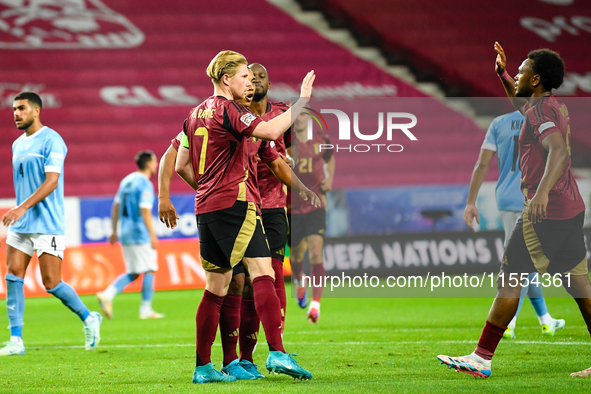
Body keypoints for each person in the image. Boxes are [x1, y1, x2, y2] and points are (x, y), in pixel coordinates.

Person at [437, 43, 591, 378]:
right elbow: (524, 105)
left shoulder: (540, 112)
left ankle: (481, 357)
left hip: (545, 211)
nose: (518, 75)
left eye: (521, 71)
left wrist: (541, 195)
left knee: (510, 278)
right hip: (569, 207)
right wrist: (504, 75)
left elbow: (558, 154)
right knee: (581, 287)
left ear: (536, 79)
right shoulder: (550, 106)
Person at [173, 50, 316, 383]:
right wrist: (302, 101)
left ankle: (204, 367)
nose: (249, 83)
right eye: (244, 77)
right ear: (227, 79)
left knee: (217, 285)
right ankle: (278, 353)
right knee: (262, 269)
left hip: (205, 207)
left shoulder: (193, 114)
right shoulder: (229, 109)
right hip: (235, 202)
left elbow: (181, 165)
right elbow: (268, 131)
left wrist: (207, 188)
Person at [1, 91, 102, 356]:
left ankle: (89, 318)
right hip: (23, 225)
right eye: (13, 109)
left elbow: (52, 181)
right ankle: (16, 340)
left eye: (21, 108)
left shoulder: (52, 140)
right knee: (13, 278)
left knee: (51, 283)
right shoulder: (17, 144)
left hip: (46, 222)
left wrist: (21, 207)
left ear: (36, 110)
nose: (16, 113)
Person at [464, 110, 565, 339]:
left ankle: (545, 319)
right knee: (522, 263)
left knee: (525, 261)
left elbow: (482, 163)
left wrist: (471, 201)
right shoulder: (544, 119)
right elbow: (557, 157)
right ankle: (510, 321)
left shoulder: (498, 122)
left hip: (506, 199)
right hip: (532, 197)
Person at [96, 151, 164, 320]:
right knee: (149, 269)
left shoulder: (126, 181)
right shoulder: (145, 184)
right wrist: (152, 234)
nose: (156, 165)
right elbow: (145, 210)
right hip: (139, 233)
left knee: (134, 272)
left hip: (125, 232)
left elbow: (116, 206)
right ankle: (146, 310)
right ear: (148, 164)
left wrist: (114, 231)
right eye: (155, 162)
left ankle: (108, 294)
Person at [289, 111, 335, 323]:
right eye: (295, 115)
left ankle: (315, 305)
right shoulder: (286, 142)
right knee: (297, 257)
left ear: (308, 119)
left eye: (301, 115)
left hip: (316, 205)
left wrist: (329, 179)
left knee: (317, 253)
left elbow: (330, 159)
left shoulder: (321, 140)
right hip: (292, 208)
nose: (298, 119)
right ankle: (300, 281)